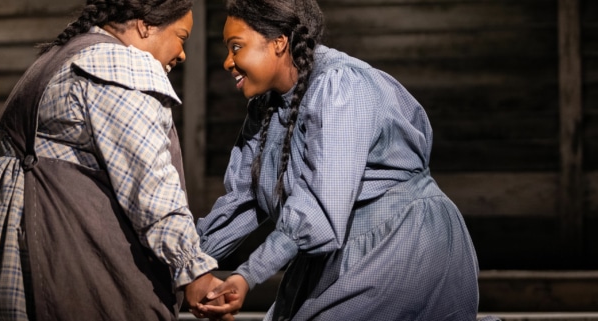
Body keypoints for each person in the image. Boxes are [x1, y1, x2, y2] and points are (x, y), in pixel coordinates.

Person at [0, 1, 230, 320]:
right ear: (146, 25)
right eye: (181, 36)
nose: (182, 53)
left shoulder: (64, 55)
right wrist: (193, 271)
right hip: (36, 237)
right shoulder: (119, 65)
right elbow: (150, 183)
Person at [193, 0, 481, 320]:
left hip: (400, 242)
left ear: (278, 42)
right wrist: (190, 264)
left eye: (236, 47)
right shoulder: (266, 107)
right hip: (333, 248)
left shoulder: (341, 86)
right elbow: (245, 199)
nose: (227, 62)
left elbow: (320, 206)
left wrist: (248, 274)